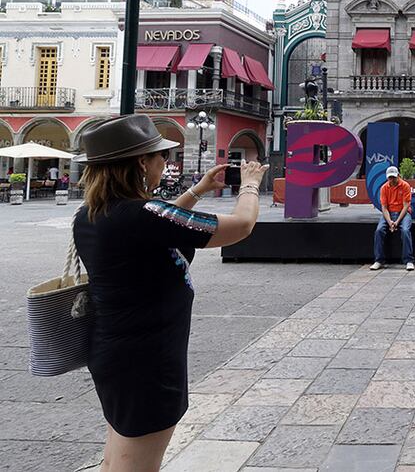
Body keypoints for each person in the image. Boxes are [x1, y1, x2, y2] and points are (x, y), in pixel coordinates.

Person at [72, 115, 268, 471]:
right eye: (161, 155)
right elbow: (240, 226)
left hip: (119, 356)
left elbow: (159, 225)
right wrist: (250, 185)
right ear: (141, 163)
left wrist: (197, 190)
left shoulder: (91, 214)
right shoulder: (143, 215)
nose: (166, 161)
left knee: (118, 458)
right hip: (146, 363)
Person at [371, 165, 414, 271]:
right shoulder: (384, 188)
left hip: (403, 214)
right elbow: (384, 208)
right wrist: (390, 222)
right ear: (387, 177)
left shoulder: (405, 186)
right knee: (379, 230)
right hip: (389, 214)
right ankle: (379, 260)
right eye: (390, 177)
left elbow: (406, 206)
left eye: (394, 177)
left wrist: (397, 221)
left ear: (398, 176)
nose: (392, 180)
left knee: (405, 230)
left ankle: (408, 260)